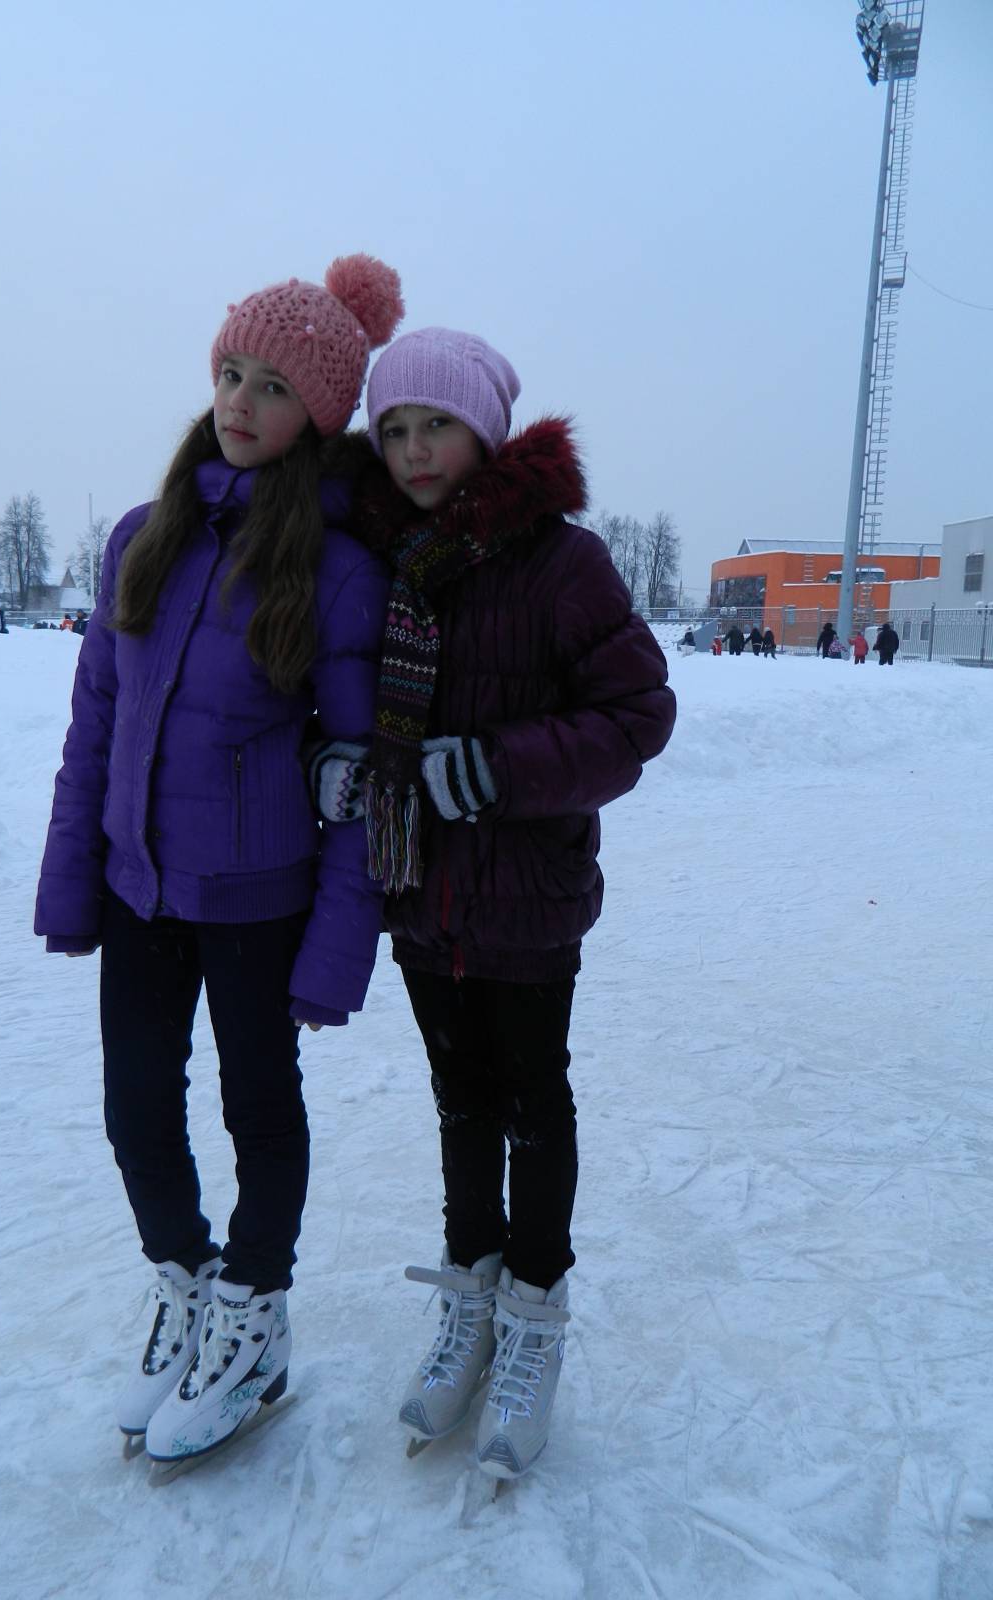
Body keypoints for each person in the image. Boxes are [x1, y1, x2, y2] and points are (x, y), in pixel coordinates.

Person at [34, 253, 403, 1470]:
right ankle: (185, 1283)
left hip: (258, 900)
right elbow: (96, 724)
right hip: (139, 884)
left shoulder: (337, 570)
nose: (242, 401)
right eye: (232, 372)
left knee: (259, 1111)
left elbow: (358, 773)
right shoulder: (143, 539)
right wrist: (73, 877)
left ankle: (253, 1316)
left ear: (320, 415)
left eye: (275, 387)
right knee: (136, 1106)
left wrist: (336, 948)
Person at [310, 327, 676, 1481]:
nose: (416, 450)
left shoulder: (562, 564)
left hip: (526, 897)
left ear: (488, 432)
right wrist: (333, 763)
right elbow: (334, 695)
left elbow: (638, 715)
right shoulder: (380, 559)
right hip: (419, 890)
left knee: (533, 1103)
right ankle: (470, 1298)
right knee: (458, 1102)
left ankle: (534, 1316)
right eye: (396, 429)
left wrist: (499, 767)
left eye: (440, 425)